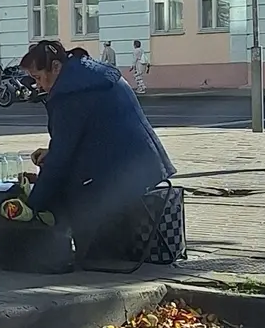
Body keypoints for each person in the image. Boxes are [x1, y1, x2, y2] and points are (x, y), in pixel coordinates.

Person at [16, 40, 176, 260]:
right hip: (146, 164)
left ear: (55, 67)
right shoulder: (87, 73)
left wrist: (32, 206)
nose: (39, 86)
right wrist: (53, 153)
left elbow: (61, 159)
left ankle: (53, 251)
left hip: (118, 177)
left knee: (63, 186)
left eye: (38, 78)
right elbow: (91, 135)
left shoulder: (70, 94)